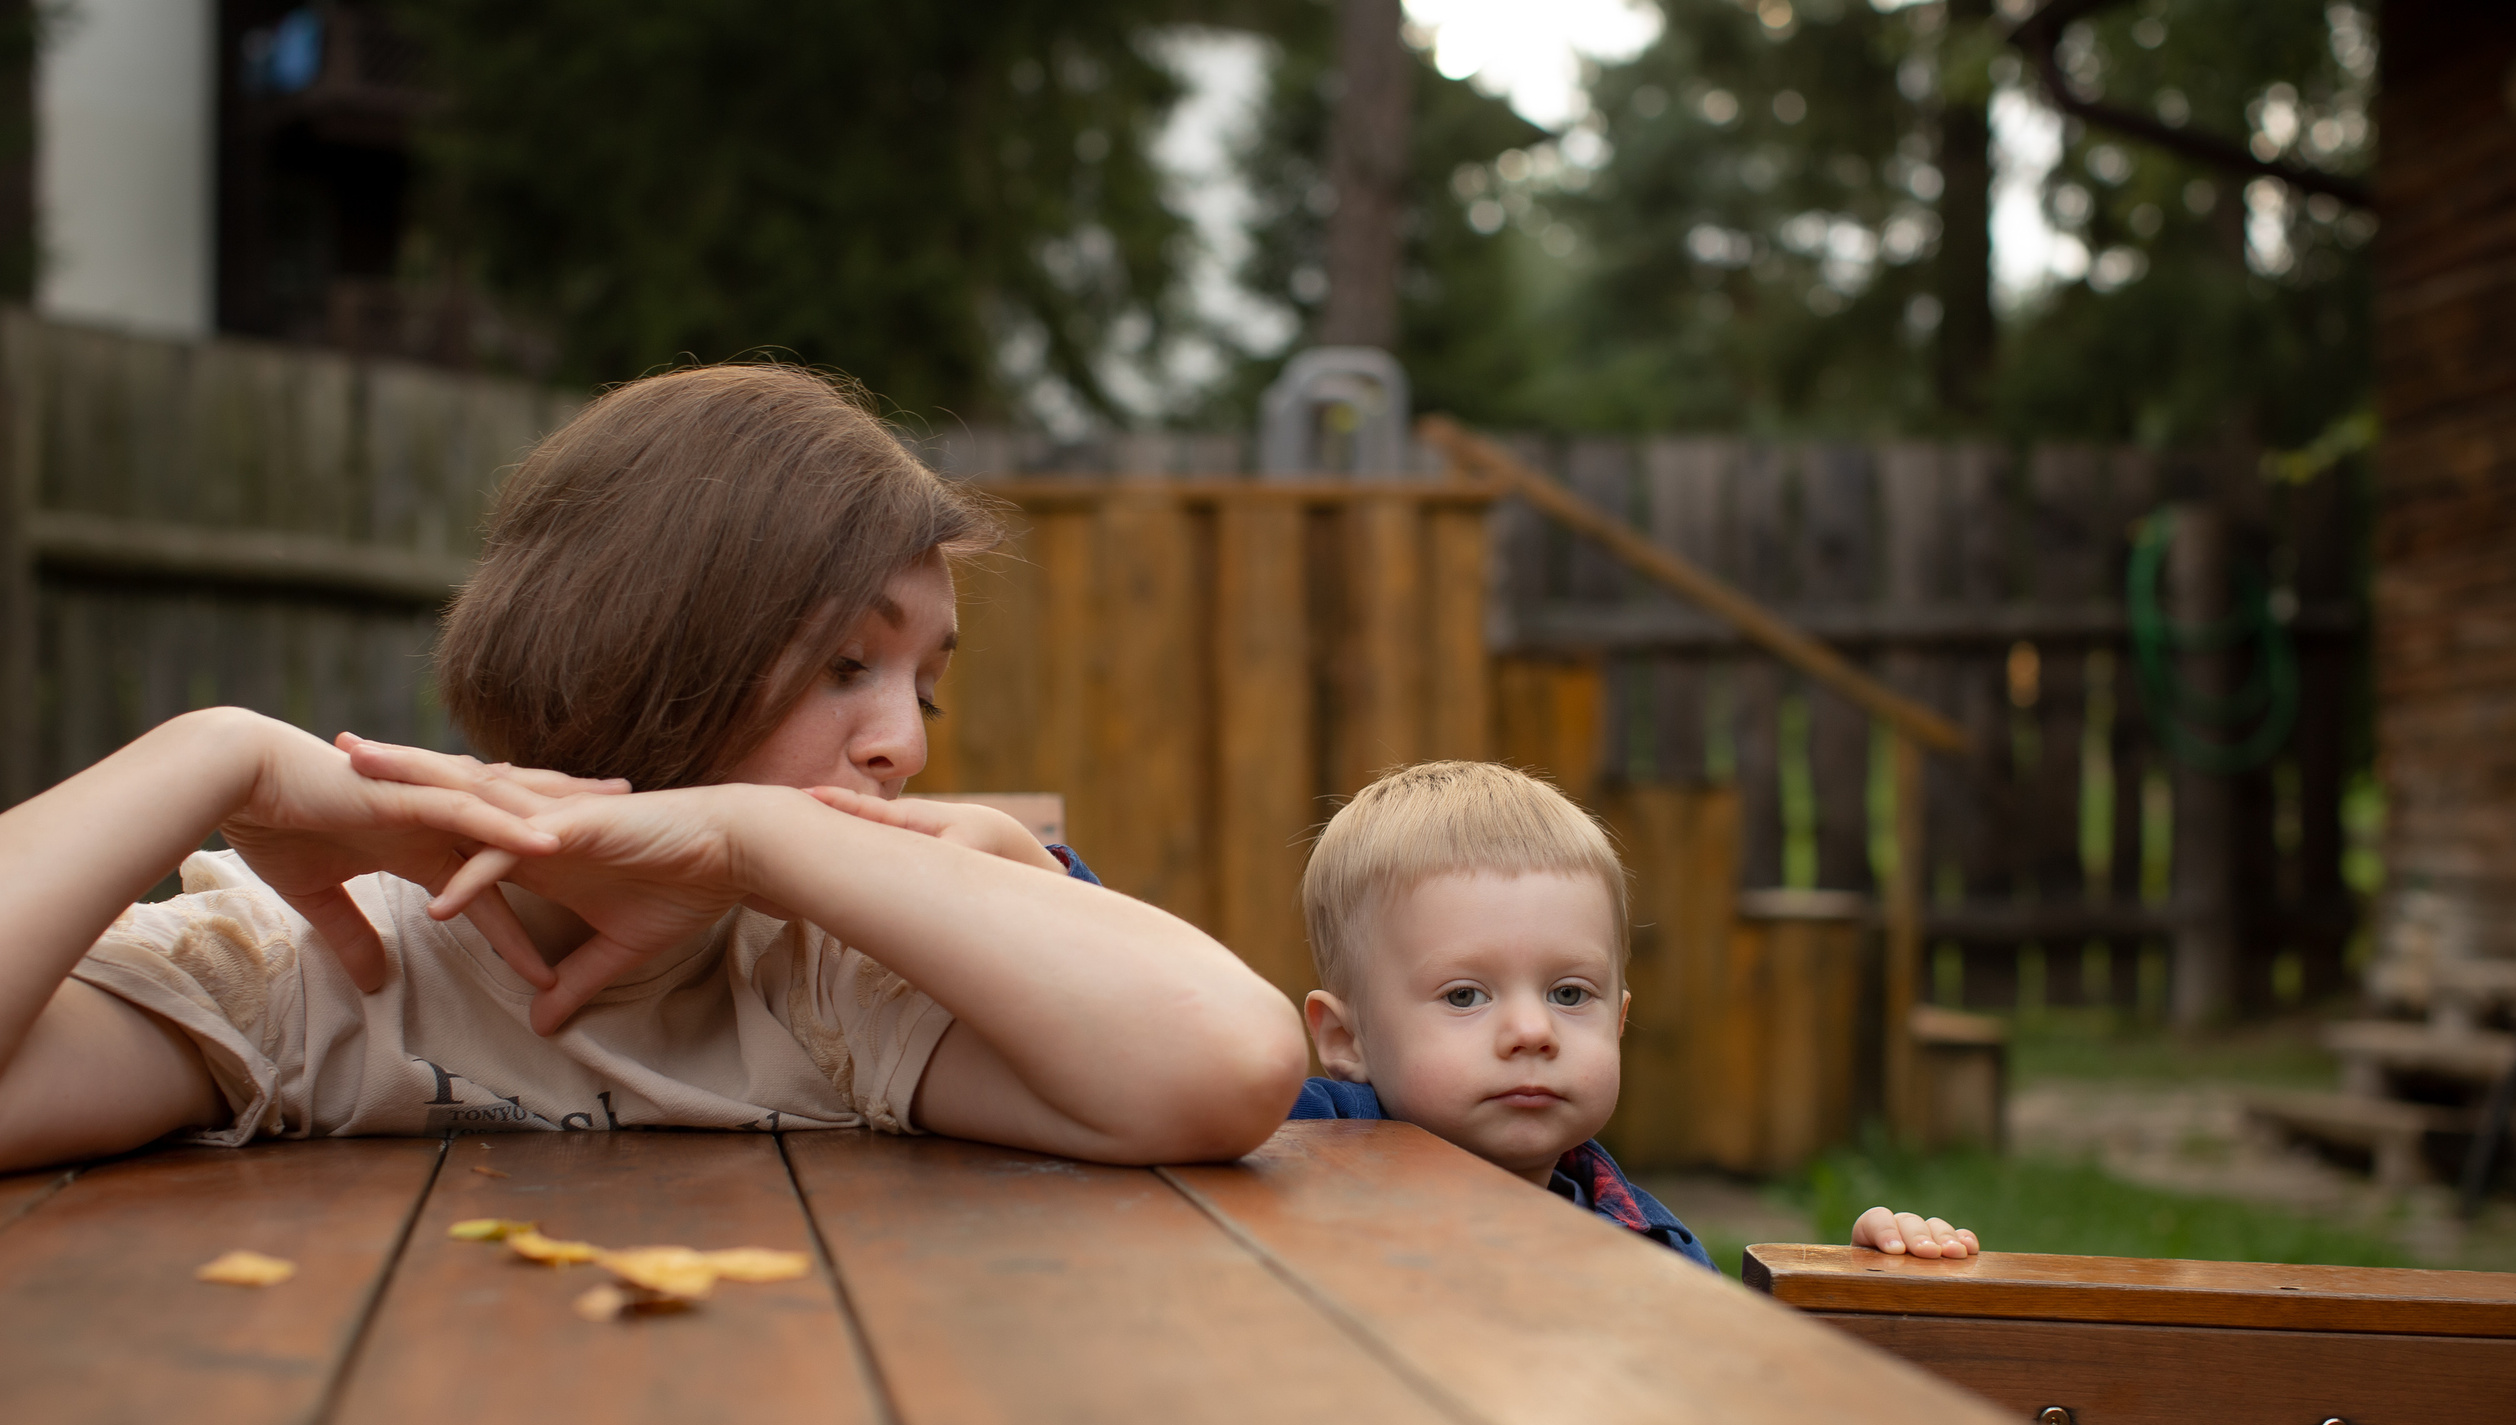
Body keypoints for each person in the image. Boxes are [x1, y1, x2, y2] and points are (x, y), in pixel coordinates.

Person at [0, 365, 1307, 1173]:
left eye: (928, 688)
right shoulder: (313, 974)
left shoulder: (829, 981)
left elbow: (1230, 1063)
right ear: (647, 653)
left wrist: (756, 840)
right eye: (844, 665)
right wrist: (216, 755)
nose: (905, 740)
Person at [1288, 762, 1983, 1273]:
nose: (1533, 1031)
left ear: (1618, 1022)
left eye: (1568, 994)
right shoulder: (1295, 1150)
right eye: (1465, 995)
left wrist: (1862, 1283)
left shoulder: (1648, 1248)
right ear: (1346, 1040)